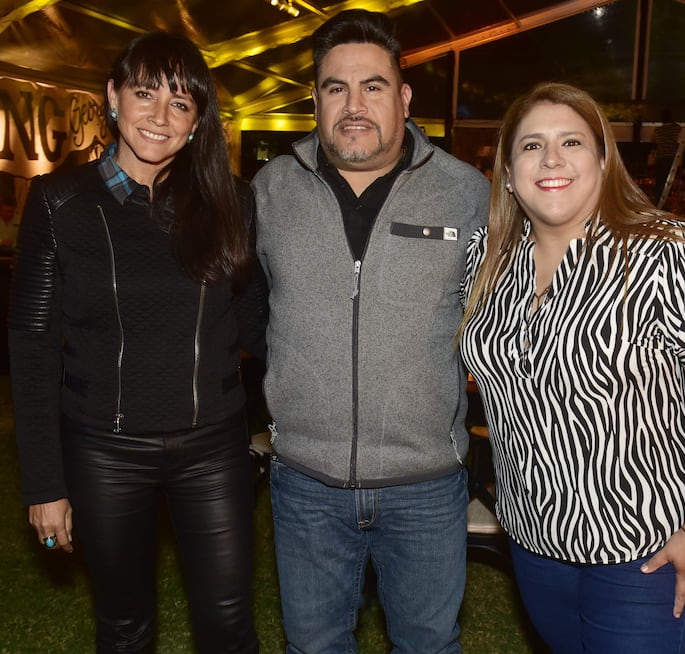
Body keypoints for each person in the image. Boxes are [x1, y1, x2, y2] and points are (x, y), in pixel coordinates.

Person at [459, 82, 685, 653]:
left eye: (571, 141)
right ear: (508, 170)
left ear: (602, 159)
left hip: (646, 549)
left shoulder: (666, 251)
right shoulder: (487, 259)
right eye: (531, 145)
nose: (551, 159)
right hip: (532, 540)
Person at [8, 32, 266, 654]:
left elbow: (258, 324)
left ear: (197, 121)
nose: (160, 116)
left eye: (180, 103)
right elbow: (33, 347)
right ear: (113, 96)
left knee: (229, 625)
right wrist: (44, 485)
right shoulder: (59, 202)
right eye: (145, 93)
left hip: (213, 448)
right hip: (104, 452)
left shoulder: (231, 201)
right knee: (124, 627)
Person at [250, 9, 489, 653]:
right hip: (306, 483)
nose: (354, 105)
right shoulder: (271, 191)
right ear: (316, 100)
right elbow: (244, 310)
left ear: (404, 97)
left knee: (428, 646)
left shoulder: (466, 193)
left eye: (373, 86)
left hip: (426, 486)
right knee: (313, 646)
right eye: (337, 88)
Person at [652, 108, 681, 206]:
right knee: (669, 181)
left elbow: (654, 140)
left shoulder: (658, 130)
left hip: (660, 158)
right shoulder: (675, 128)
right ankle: (666, 202)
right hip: (671, 158)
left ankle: (658, 202)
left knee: (660, 182)